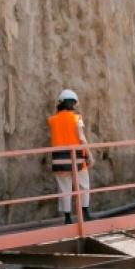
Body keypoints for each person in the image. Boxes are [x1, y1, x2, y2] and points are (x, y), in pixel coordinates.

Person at [47, 89, 92, 224]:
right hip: (78, 160)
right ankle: (85, 214)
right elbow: (82, 138)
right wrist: (89, 155)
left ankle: (67, 218)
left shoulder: (52, 120)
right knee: (84, 186)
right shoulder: (77, 118)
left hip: (59, 160)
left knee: (64, 189)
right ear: (73, 104)